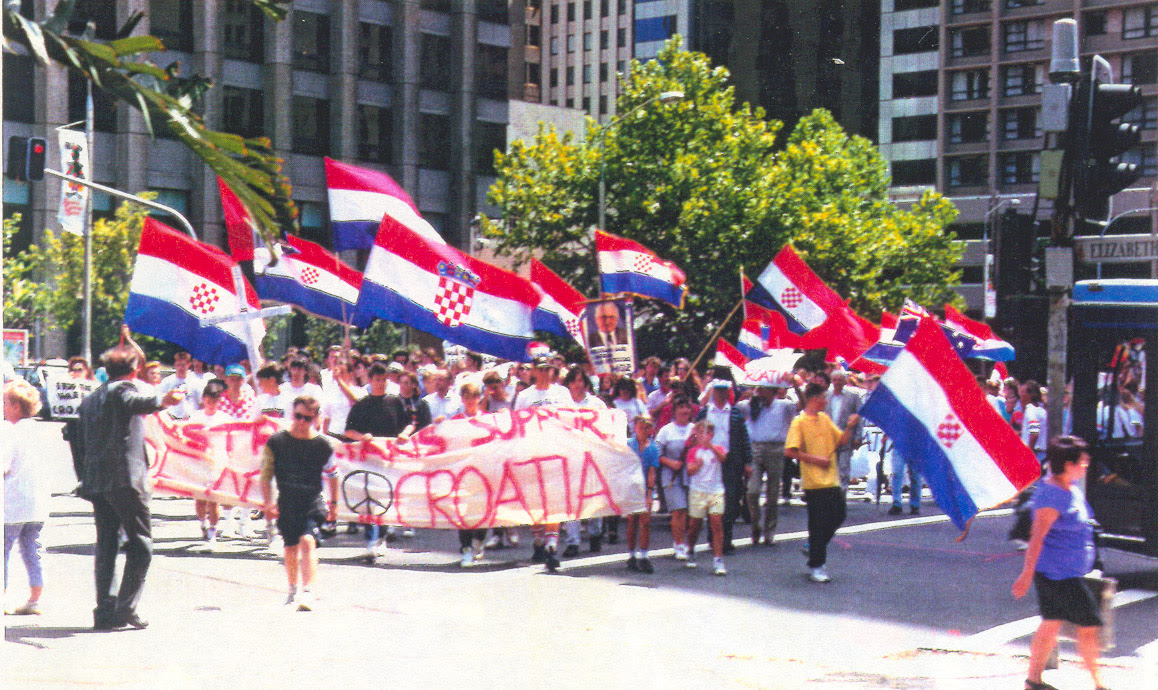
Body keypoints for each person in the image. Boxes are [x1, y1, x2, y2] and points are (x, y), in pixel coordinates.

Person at [75, 335, 185, 629]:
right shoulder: (122, 390)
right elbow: (135, 401)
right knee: (141, 545)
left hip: (98, 482)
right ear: (134, 372)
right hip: (125, 479)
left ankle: (105, 610)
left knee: (107, 545)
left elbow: (77, 440)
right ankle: (125, 609)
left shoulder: (90, 399)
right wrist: (162, 400)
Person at [1012, 436, 1105, 690]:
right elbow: (1036, 537)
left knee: (1051, 624)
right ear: (1067, 463)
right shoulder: (1052, 495)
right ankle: (1099, 684)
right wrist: (1026, 574)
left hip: (1062, 572)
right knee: (1089, 625)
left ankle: (1033, 682)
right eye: (1082, 461)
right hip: (1059, 575)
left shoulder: (1068, 487)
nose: (1086, 465)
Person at [260, 396, 339, 611]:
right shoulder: (276, 442)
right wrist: (268, 503)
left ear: (315, 419)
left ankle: (308, 591)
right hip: (287, 501)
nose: (302, 422)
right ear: (292, 414)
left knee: (307, 541)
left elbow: (333, 475)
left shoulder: (323, 444)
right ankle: (292, 588)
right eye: (298, 416)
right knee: (290, 547)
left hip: (312, 501)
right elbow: (266, 475)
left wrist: (334, 503)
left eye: (307, 418)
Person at [784, 383, 859, 584]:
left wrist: (850, 426)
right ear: (814, 399)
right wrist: (817, 460)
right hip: (814, 482)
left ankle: (814, 548)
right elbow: (790, 451)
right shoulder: (799, 422)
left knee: (839, 514)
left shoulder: (825, 419)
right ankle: (817, 565)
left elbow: (841, 441)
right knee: (817, 524)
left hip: (831, 479)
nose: (826, 401)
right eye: (823, 397)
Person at [344, 361, 416, 560]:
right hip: (368, 459)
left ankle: (381, 538)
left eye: (384, 379)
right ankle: (370, 540)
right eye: (377, 380)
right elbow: (348, 431)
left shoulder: (395, 402)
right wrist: (361, 437)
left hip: (389, 460)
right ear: (370, 380)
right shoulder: (362, 405)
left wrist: (404, 433)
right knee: (369, 500)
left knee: (385, 499)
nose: (381, 383)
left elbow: (410, 424)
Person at [512, 356, 570, 571]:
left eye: (548, 369)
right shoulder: (525, 396)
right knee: (535, 501)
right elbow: (516, 423)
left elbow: (573, 418)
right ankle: (538, 541)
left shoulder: (562, 393)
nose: (545, 373)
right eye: (541, 369)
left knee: (553, 500)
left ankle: (552, 546)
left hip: (556, 452)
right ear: (534, 371)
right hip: (532, 452)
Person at [5, 378, 50, 615]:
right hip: (38, 503)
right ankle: (35, 598)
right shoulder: (41, 432)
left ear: (16, 407)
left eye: (5, 403)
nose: (2, 408)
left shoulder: (10, 433)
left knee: (4, 550)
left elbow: (4, 466)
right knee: (32, 549)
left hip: (12, 503)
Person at [694, 379, 750, 554]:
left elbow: (743, 438)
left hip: (730, 460)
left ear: (728, 392)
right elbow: (695, 434)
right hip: (709, 461)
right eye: (717, 390)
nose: (720, 394)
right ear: (712, 392)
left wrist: (747, 461)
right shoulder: (704, 412)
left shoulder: (735, 413)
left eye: (724, 390)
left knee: (731, 500)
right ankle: (714, 537)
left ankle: (727, 537)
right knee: (712, 499)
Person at [739, 381, 797, 545]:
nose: (760, 393)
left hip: (776, 449)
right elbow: (736, 407)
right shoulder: (751, 404)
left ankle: (769, 530)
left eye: (763, 390)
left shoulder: (784, 405)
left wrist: (796, 386)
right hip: (755, 448)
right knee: (752, 491)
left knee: (772, 495)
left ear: (772, 392)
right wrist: (748, 395)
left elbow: (802, 405)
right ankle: (755, 524)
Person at [560, 365, 608, 556]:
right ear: (569, 384)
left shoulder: (597, 404)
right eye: (574, 381)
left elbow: (606, 427)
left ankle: (596, 533)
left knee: (596, 496)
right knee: (572, 499)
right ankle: (573, 541)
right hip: (572, 456)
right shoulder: (562, 405)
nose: (577, 385)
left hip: (594, 455)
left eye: (581, 380)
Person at [450, 382, 489, 566]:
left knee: (482, 510)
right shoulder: (456, 420)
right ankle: (465, 549)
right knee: (463, 512)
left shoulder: (488, 419)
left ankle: (478, 541)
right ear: (462, 399)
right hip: (462, 473)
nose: (471, 401)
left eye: (474, 396)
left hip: (483, 472)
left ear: (479, 398)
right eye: (467, 397)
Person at [684, 420, 729, 575]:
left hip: (716, 491)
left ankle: (718, 559)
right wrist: (697, 465)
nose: (704, 436)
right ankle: (690, 549)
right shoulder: (693, 451)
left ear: (712, 435)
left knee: (717, 524)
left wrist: (711, 448)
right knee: (695, 525)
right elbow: (690, 470)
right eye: (701, 433)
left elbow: (723, 458)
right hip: (698, 491)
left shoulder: (718, 448)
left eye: (707, 433)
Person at [188, 380, 230, 546]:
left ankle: (213, 531)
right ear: (204, 399)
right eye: (209, 401)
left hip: (217, 463)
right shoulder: (196, 417)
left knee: (214, 500)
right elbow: (187, 436)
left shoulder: (225, 419)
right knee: (200, 501)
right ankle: (203, 523)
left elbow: (231, 441)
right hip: (199, 463)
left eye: (216, 401)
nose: (212, 405)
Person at [655, 396, 695, 561]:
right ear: (674, 411)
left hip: (691, 475)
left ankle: (685, 542)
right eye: (681, 408)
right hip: (671, 476)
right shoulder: (666, 431)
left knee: (688, 513)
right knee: (678, 511)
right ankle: (678, 544)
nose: (685, 411)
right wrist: (672, 463)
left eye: (687, 407)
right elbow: (657, 454)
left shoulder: (694, 429)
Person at [625, 414, 659, 574]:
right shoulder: (628, 445)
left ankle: (644, 556)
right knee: (632, 522)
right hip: (631, 487)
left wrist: (650, 492)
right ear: (635, 427)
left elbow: (652, 471)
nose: (644, 430)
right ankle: (631, 555)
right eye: (641, 427)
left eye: (647, 427)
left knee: (645, 522)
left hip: (644, 487)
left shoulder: (652, 448)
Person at [157, 351, 200, 419]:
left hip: (190, 419)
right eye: (178, 365)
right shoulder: (167, 382)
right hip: (171, 419)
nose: (180, 368)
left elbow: (201, 403)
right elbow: (160, 401)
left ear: (189, 365)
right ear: (175, 364)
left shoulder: (196, 382)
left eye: (183, 365)